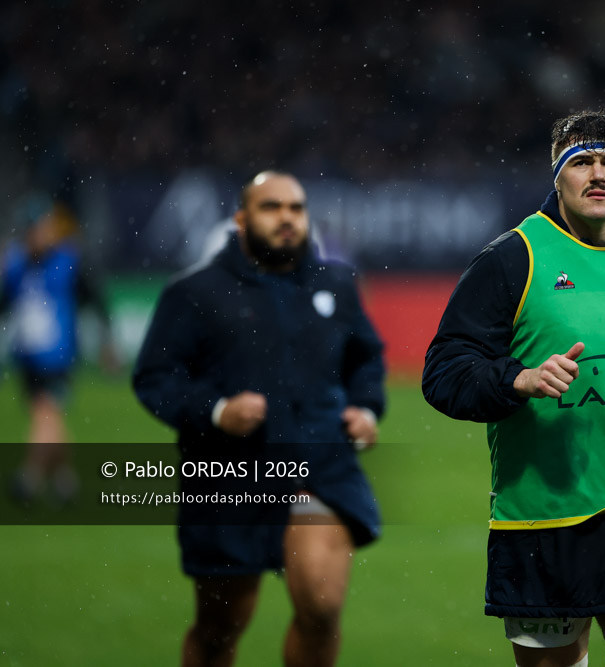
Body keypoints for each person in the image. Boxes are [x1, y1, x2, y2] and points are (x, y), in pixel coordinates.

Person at [423, 110, 605, 667]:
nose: (598, 174)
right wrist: (519, 379)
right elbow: (443, 372)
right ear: (557, 176)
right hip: (542, 519)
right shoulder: (513, 258)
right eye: (581, 162)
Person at [132, 171, 386, 667]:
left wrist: (366, 407)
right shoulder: (195, 292)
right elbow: (155, 377)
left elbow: (366, 358)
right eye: (271, 207)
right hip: (230, 474)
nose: (287, 218)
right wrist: (216, 410)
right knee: (219, 629)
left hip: (319, 468)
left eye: (296, 208)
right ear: (241, 220)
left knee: (321, 608)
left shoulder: (336, 284)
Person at [2, 195, 117, 505]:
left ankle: (30, 478)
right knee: (47, 415)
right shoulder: (16, 265)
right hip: (27, 355)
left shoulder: (70, 261)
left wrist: (106, 342)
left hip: (59, 356)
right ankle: (65, 481)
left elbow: (96, 301)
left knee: (46, 412)